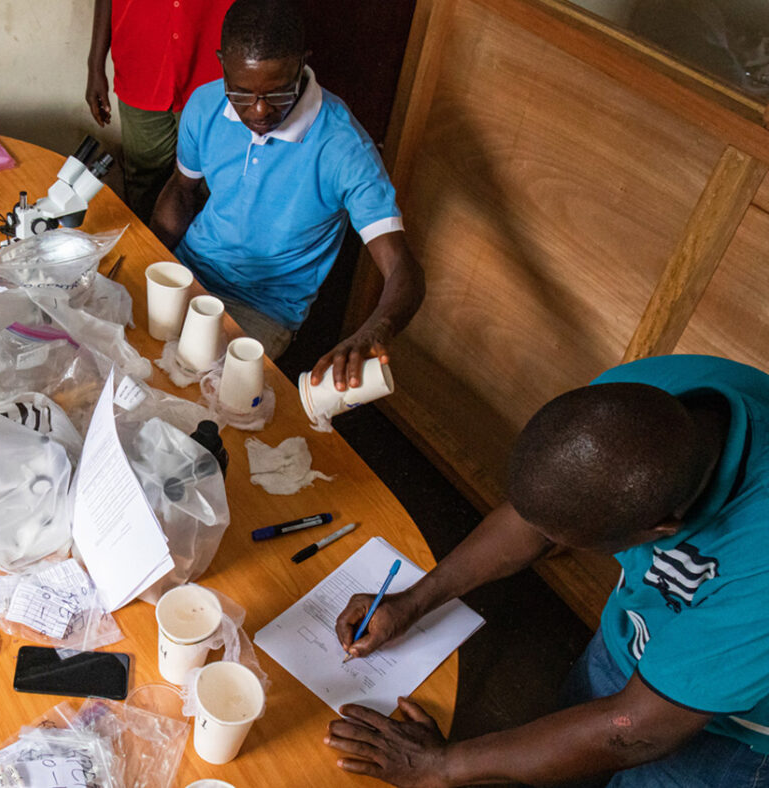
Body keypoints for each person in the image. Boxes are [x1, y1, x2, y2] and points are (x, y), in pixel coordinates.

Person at [326, 354, 769, 787]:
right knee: (573, 751)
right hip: (641, 638)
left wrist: (442, 766)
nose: (541, 539)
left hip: (731, 732)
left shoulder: (757, 568)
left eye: (571, 542)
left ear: (662, 529)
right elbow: (534, 523)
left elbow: (634, 730)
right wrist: (413, 601)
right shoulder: (643, 394)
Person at [150, 0, 424, 390]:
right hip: (190, 267)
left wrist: (375, 331)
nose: (260, 111)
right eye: (242, 93)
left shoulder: (343, 146)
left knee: (200, 394)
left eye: (278, 93)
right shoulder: (205, 104)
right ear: (222, 63)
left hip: (262, 308)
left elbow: (403, 269)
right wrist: (150, 258)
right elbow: (181, 190)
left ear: (302, 64)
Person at [84, 0, 232, 221]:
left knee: (214, 183)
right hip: (142, 65)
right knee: (145, 179)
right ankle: (150, 253)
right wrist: (95, 65)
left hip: (212, 69)